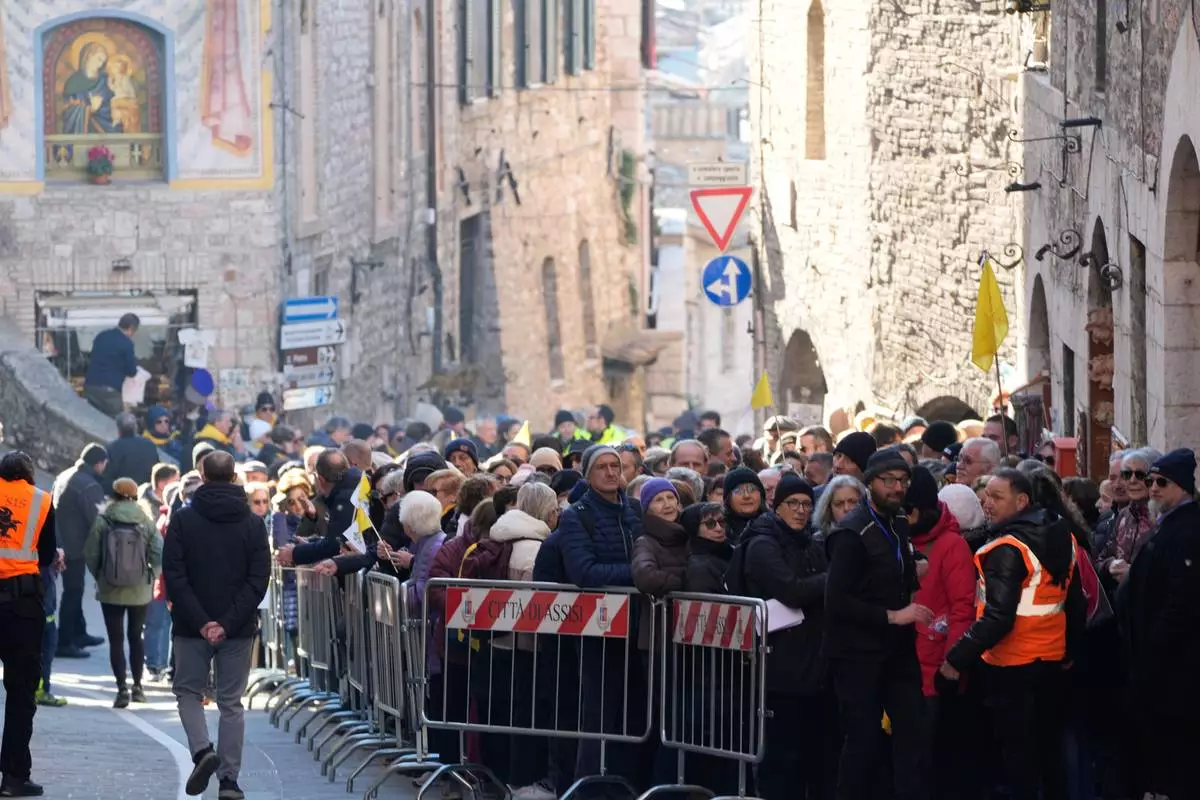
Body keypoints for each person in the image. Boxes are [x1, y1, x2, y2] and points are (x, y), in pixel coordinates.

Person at [943, 468, 1084, 800]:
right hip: (1051, 660)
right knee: (1050, 752)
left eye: (997, 497)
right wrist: (1069, 651)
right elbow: (1075, 602)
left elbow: (997, 617)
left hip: (1011, 665)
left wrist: (955, 659)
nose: (987, 503)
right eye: (986, 496)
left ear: (1021, 501)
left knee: (1019, 759)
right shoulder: (1062, 534)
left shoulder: (1008, 547)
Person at [824, 448, 931, 800]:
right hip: (857, 652)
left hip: (897, 649)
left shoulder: (898, 519)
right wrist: (892, 615)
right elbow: (836, 601)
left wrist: (914, 571)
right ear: (870, 483)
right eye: (889, 481)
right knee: (863, 740)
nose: (898, 488)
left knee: (912, 732)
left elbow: (893, 568)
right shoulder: (850, 532)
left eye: (903, 480)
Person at [163, 451, 269, 800]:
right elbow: (258, 579)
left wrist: (202, 620)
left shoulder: (183, 520)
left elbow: (174, 574)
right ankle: (229, 781)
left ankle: (201, 750)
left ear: (204, 476)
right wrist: (226, 622)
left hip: (191, 625)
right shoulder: (253, 523)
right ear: (235, 477)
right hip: (237, 627)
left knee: (188, 693)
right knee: (231, 703)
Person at [733, 473, 832, 799]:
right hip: (777, 664)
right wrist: (832, 578)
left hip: (809, 659)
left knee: (808, 752)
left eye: (806, 504)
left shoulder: (809, 541)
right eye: (793, 503)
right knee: (781, 755)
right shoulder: (762, 544)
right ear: (777, 506)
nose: (801, 511)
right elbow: (792, 590)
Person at [555, 444, 644, 785]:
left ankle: (625, 783)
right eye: (601, 467)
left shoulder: (633, 509)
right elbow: (584, 572)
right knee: (600, 710)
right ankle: (591, 784)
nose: (610, 472)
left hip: (640, 622)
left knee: (634, 711)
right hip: (598, 626)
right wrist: (638, 575)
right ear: (588, 475)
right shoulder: (576, 515)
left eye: (615, 466)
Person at [1121, 448, 1200, 800]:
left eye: (1161, 482)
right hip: (1156, 660)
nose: (1152, 487)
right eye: (1150, 480)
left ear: (1181, 486)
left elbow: (1181, 600)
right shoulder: (1170, 524)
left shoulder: (1188, 530)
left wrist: (1153, 647)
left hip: (1174, 664)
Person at [0, 451, 57, 798]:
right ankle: (13, 777)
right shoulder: (41, 500)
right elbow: (47, 554)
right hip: (21, 605)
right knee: (21, 694)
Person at [84, 477, 161, 708]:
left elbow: (90, 552)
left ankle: (121, 689)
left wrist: (101, 575)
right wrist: (151, 576)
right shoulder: (146, 520)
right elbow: (159, 551)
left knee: (116, 639)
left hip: (110, 587)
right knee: (136, 636)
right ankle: (138, 687)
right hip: (140, 588)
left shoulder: (104, 519)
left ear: (114, 495)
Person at [51, 443, 110, 659]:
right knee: (73, 592)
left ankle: (79, 632)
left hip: (60, 540)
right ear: (99, 463)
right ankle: (65, 641)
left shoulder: (65, 475)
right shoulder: (89, 485)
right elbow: (97, 520)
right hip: (75, 546)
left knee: (74, 589)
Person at [83, 313, 139, 416]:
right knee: (114, 421)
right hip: (110, 391)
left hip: (90, 386)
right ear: (131, 329)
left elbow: (92, 356)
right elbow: (132, 371)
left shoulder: (101, 336)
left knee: (91, 419)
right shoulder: (127, 344)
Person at [682, 503, 730, 594]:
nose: (719, 528)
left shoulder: (731, 551)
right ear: (694, 528)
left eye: (722, 521)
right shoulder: (697, 568)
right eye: (710, 524)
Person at [104, 412, 161, 487]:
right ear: (135, 428)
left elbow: (107, 475)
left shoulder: (112, 447)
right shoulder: (150, 445)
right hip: (145, 490)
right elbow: (157, 470)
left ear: (119, 429)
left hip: (123, 490)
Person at [722, 467, 766, 544]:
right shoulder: (719, 530)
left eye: (752, 489)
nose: (746, 496)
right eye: (738, 491)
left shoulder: (776, 525)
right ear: (728, 499)